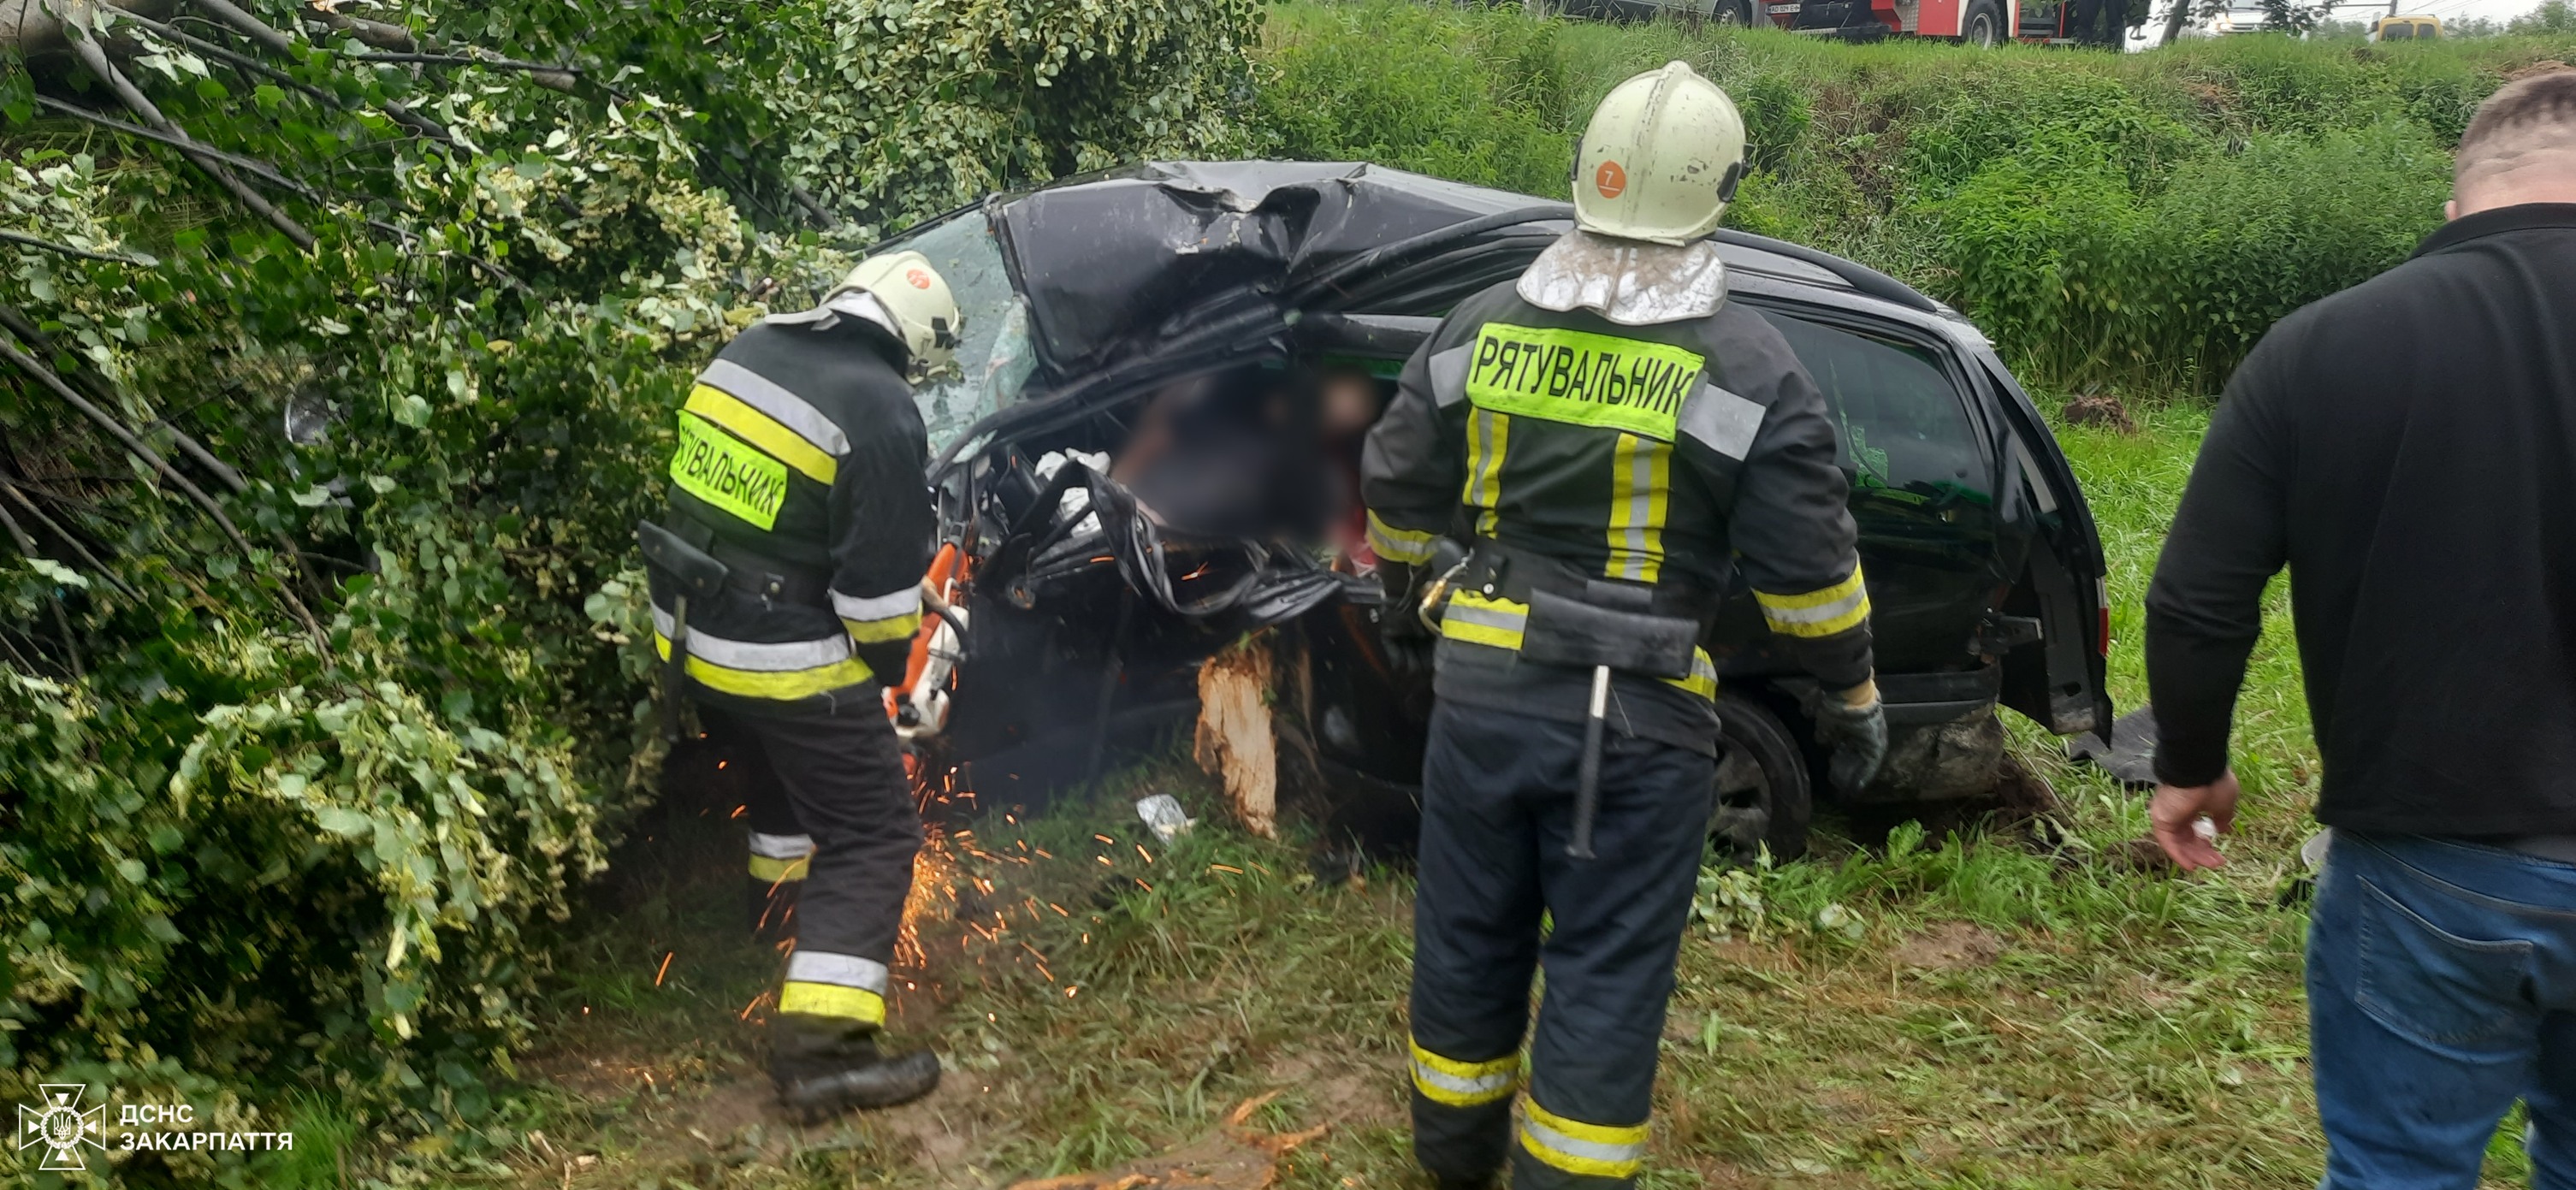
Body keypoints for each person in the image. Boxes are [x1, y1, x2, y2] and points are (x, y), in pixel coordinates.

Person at [1361, 62, 1889, 1190]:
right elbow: (1810, 580)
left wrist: (1410, 603)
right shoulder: (1746, 364)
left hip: (1478, 700)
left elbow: (1398, 487)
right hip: (1629, 723)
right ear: (1717, 192)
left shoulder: (1475, 324)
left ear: (1585, 180)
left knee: (1464, 938)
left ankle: (1450, 1164)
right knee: (1600, 971)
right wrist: (1850, 698)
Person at [2144, 69, 2576, 1188]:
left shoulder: (2322, 345)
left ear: (2456, 201)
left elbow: (2195, 596)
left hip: (2429, 861)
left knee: (2398, 1169)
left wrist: (2188, 767)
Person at [642, 250, 959, 1119]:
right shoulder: (883, 408)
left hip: (688, 634)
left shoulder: (749, 348)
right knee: (873, 833)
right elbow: (878, 610)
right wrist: (889, 688)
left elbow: (753, 509)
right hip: (778, 658)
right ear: (915, 346)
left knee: (779, 773)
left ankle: (776, 920)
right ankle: (821, 1053)